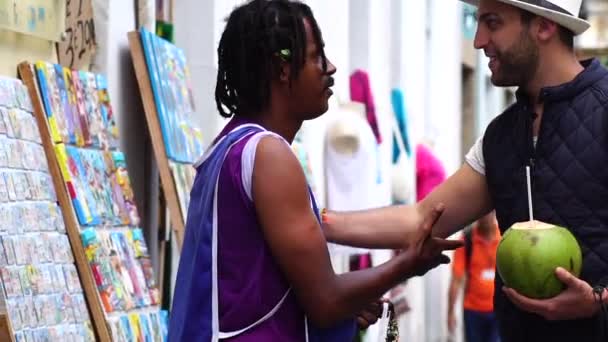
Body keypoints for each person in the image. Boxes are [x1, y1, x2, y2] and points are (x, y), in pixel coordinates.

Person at [168, 1, 461, 341]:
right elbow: (325, 300)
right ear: (283, 68)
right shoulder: (268, 154)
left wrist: (351, 300)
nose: (331, 68)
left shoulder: (226, 148)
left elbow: (261, 287)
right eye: (316, 56)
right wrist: (410, 262)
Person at [321, 0, 608, 341]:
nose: (478, 40)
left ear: (544, 26)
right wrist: (316, 223)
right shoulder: (500, 137)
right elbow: (422, 218)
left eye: (492, 22)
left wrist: (600, 302)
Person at [448, 211, 501, 342]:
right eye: (482, 213)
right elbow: (456, 280)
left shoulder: (504, 238)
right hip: (473, 311)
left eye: (489, 212)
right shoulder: (466, 240)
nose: (485, 217)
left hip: (499, 311)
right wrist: (450, 312)